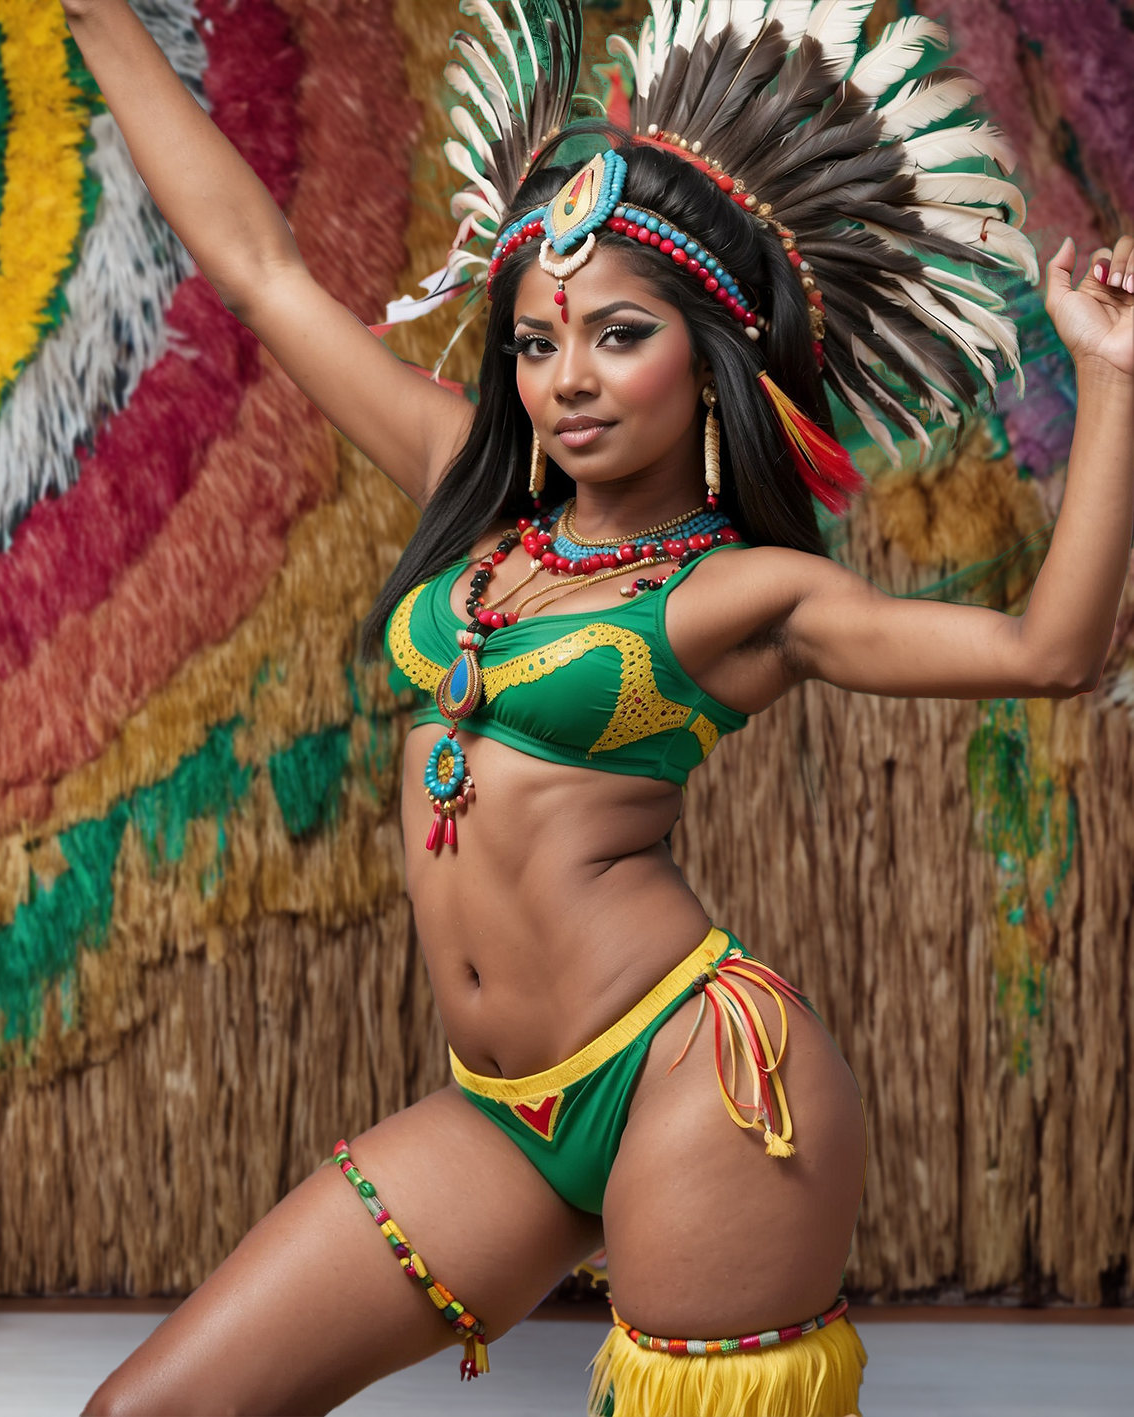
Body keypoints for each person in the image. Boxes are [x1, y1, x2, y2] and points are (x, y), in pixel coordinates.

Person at [59, 1, 1132, 1412]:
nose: (563, 379)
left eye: (616, 336)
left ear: (706, 359)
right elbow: (262, 273)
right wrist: (99, 26)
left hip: (696, 1084)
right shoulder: (476, 498)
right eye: (532, 342)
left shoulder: (738, 598)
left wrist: (1111, 376)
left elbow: (1050, 652)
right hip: (501, 1110)